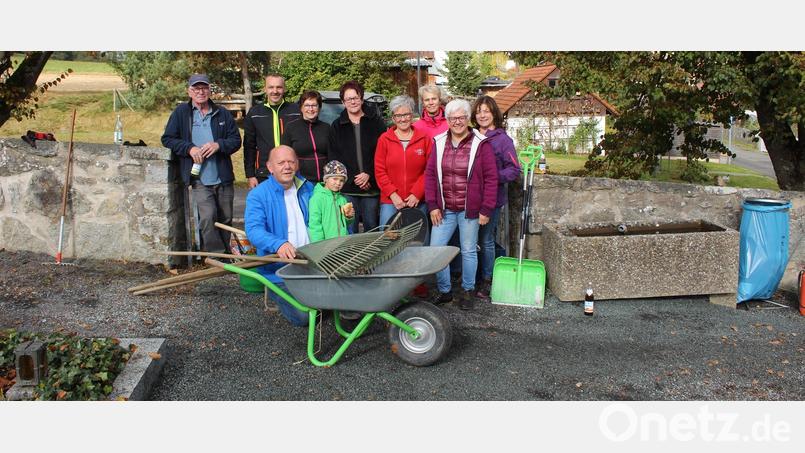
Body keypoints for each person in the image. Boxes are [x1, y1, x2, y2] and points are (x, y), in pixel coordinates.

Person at [424, 99, 498, 310]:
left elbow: (491, 179)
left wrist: (486, 209)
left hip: (470, 211)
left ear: (468, 119)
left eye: (461, 117)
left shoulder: (480, 143)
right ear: (447, 120)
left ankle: (467, 290)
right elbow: (430, 175)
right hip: (444, 209)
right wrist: (432, 205)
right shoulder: (438, 142)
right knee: (436, 250)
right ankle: (445, 291)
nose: (457, 122)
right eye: (452, 118)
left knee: (468, 250)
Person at [161, 73, 242, 254]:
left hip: (223, 175)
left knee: (226, 217)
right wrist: (189, 149)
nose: (201, 92)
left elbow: (236, 140)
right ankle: (216, 255)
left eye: (204, 87)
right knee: (207, 217)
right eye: (196, 88)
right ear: (189, 91)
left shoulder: (222, 113)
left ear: (209, 90)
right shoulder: (181, 113)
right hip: (199, 177)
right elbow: (168, 139)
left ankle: (225, 253)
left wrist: (218, 145)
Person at [244, 145, 313, 326]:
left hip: (311, 264)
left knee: (337, 303)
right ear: (270, 167)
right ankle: (281, 296)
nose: (287, 166)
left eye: (291, 161)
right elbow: (253, 230)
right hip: (279, 270)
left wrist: (347, 217)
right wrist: (278, 244)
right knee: (304, 316)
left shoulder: (308, 188)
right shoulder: (258, 195)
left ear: (297, 164)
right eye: (281, 162)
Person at [471, 95, 521, 300]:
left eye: (486, 111)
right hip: (470, 200)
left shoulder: (502, 140)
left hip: (492, 200)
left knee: (486, 239)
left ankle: (488, 279)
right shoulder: (470, 136)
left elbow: (514, 170)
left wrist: (491, 178)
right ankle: (470, 279)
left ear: (493, 114)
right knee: (470, 240)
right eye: (479, 111)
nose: (482, 115)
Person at [329, 80, 386, 234]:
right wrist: (355, 178)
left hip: (371, 188)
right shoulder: (336, 126)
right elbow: (335, 157)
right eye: (348, 99)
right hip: (348, 188)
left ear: (361, 98)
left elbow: (382, 153)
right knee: (350, 229)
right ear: (343, 102)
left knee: (371, 226)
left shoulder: (376, 122)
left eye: (356, 97)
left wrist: (369, 175)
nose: (353, 101)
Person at [375, 95, 431, 229]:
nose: (402, 119)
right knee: (388, 241)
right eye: (398, 116)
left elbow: (430, 170)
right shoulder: (384, 139)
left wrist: (417, 193)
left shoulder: (424, 138)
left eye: (406, 114)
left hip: (418, 200)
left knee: (418, 242)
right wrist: (393, 195)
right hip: (390, 201)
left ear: (412, 115)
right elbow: (379, 170)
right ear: (393, 118)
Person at [243, 74, 301, 188]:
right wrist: (250, 175)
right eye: (271, 87)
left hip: (292, 172)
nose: (275, 91)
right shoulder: (254, 113)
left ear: (284, 89)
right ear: (265, 89)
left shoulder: (296, 111)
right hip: (264, 174)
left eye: (279, 87)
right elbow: (249, 146)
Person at [281, 90, 338, 184]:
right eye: (307, 105)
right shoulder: (291, 128)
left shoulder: (326, 127)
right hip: (301, 181)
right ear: (301, 108)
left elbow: (332, 154)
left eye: (314, 105)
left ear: (319, 108)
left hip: (325, 181)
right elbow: (285, 155)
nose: (311, 109)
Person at [307, 160, 355, 242]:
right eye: (335, 179)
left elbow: (345, 223)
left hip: (342, 243)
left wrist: (349, 217)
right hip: (325, 245)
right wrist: (319, 245)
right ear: (326, 179)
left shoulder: (342, 199)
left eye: (341, 180)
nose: (338, 183)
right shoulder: (317, 199)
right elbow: (315, 225)